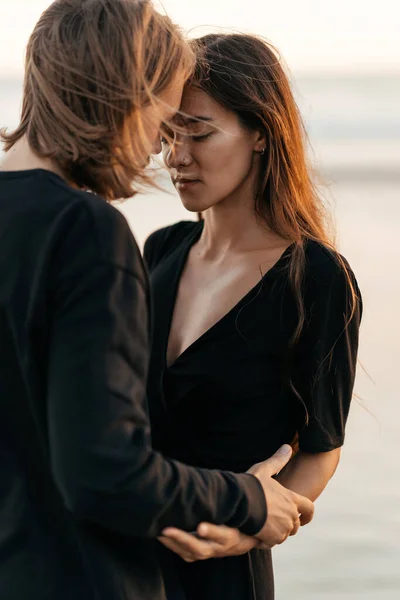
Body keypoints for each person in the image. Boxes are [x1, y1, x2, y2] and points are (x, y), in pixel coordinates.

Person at [0, 4, 315, 600]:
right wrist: (248, 500)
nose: (156, 150)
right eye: (162, 120)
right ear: (123, 95)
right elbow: (104, 472)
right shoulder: (86, 231)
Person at [144, 33, 362, 599]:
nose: (177, 156)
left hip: (221, 570)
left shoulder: (316, 277)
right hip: (122, 557)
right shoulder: (160, 251)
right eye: (168, 134)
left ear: (262, 133)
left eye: (199, 132)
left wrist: (246, 533)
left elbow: (320, 447)